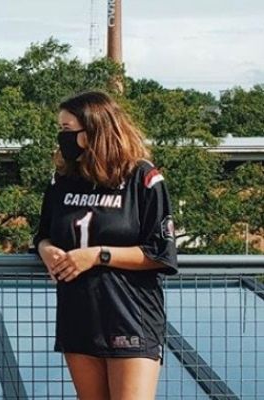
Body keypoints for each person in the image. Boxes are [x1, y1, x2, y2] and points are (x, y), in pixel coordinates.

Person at [34, 91, 178, 400]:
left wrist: (98, 255)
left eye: (67, 129)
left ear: (94, 129)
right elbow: (43, 234)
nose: (62, 137)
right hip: (78, 315)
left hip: (131, 316)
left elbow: (161, 253)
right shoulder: (62, 180)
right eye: (60, 129)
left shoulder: (143, 177)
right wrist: (46, 249)